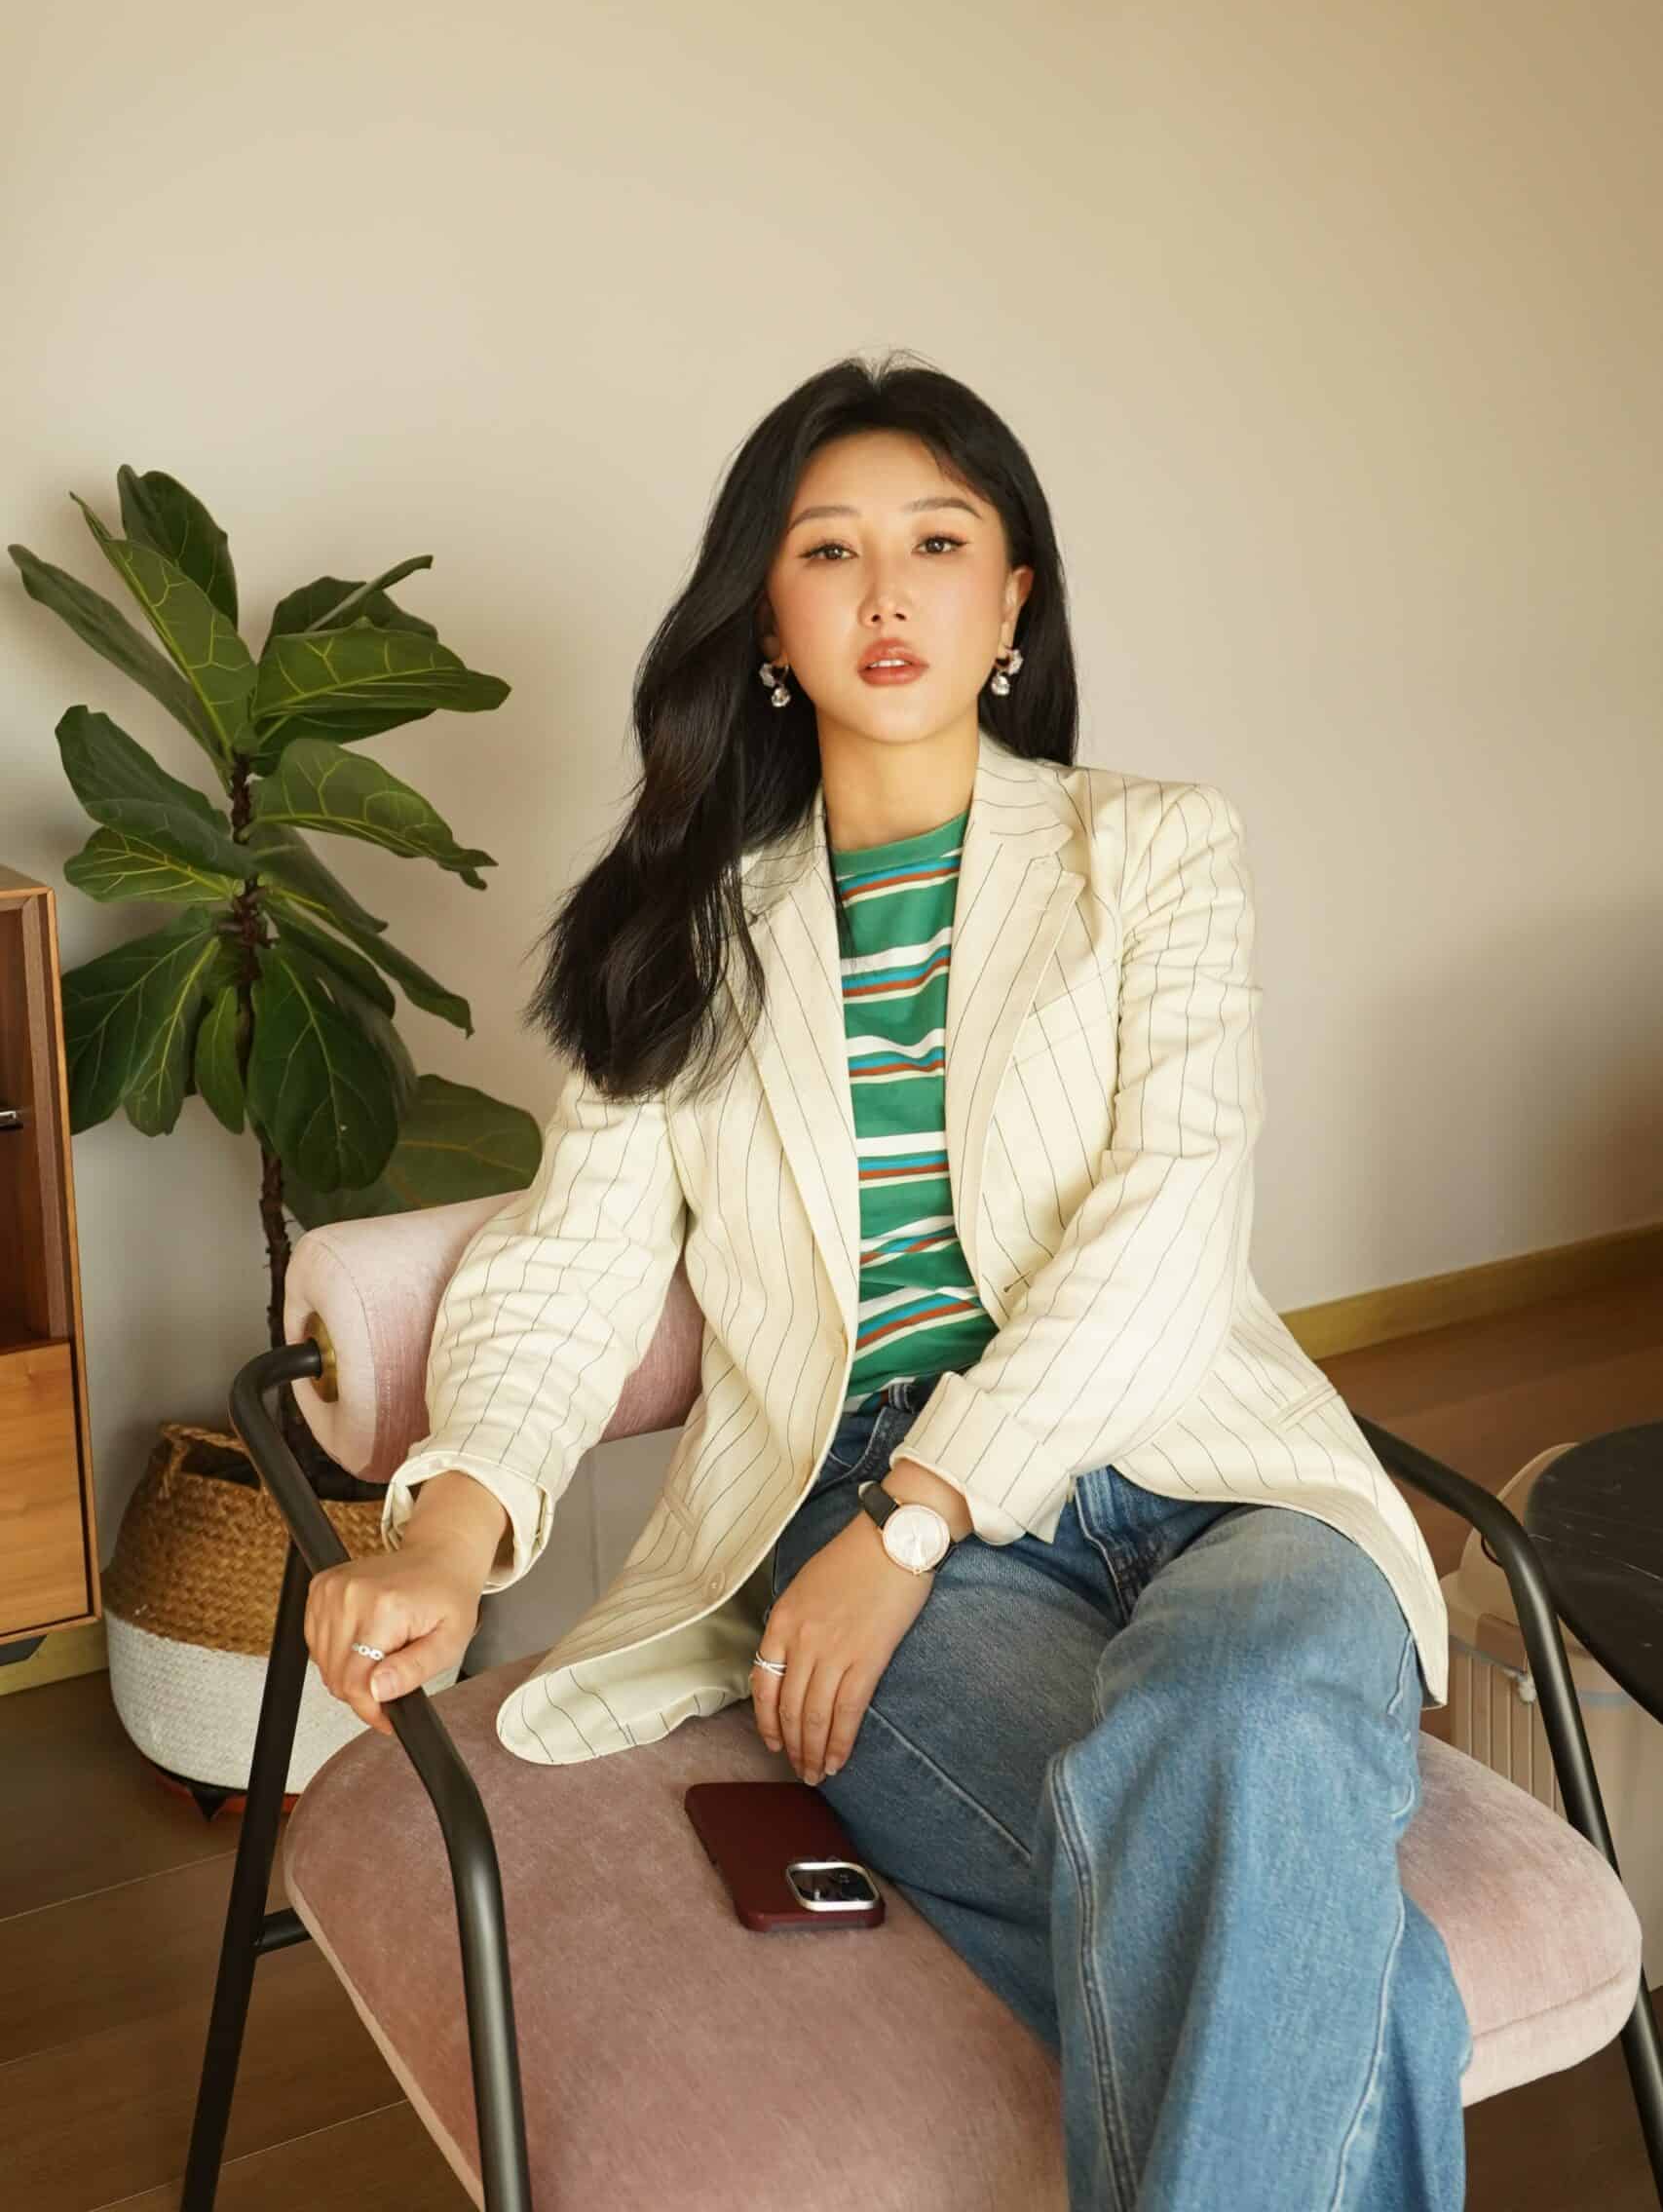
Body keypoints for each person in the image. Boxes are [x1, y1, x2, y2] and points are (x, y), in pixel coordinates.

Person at [305, 348, 1471, 2210]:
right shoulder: (687, 931)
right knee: (1361, 1978)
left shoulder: (1154, 850)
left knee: (1251, 1727)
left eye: (937, 541)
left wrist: (919, 1515)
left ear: (1013, 603)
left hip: (1209, 1474)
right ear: (769, 622)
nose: (887, 591)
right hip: (855, 1516)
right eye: (829, 551)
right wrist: (451, 1531)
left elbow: (1170, 1217)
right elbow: (573, 1260)